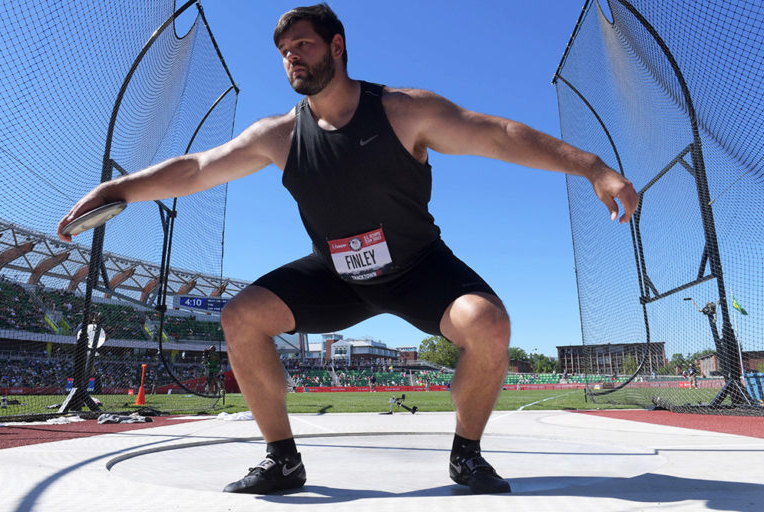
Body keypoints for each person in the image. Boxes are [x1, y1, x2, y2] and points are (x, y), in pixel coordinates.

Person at [57, 3, 638, 495]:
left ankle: (466, 451)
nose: (293, 58)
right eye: (285, 51)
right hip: (336, 273)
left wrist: (593, 167)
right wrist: (120, 188)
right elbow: (198, 168)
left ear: (337, 46)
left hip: (417, 266)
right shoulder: (279, 134)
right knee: (240, 316)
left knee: (488, 324)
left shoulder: (403, 110)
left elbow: (498, 134)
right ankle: (282, 458)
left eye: (304, 45)